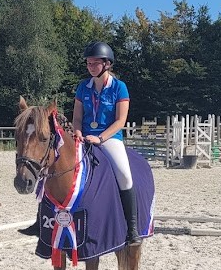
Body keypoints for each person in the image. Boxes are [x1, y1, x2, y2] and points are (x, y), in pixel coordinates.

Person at [19, 42, 141, 245]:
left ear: (107, 64)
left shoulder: (119, 88)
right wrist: (77, 132)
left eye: (95, 63)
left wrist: (100, 137)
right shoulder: (83, 87)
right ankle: (40, 220)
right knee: (49, 165)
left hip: (109, 139)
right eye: (88, 63)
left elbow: (120, 121)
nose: (91, 66)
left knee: (125, 176)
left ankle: (132, 228)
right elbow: (77, 117)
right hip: (82, 137)